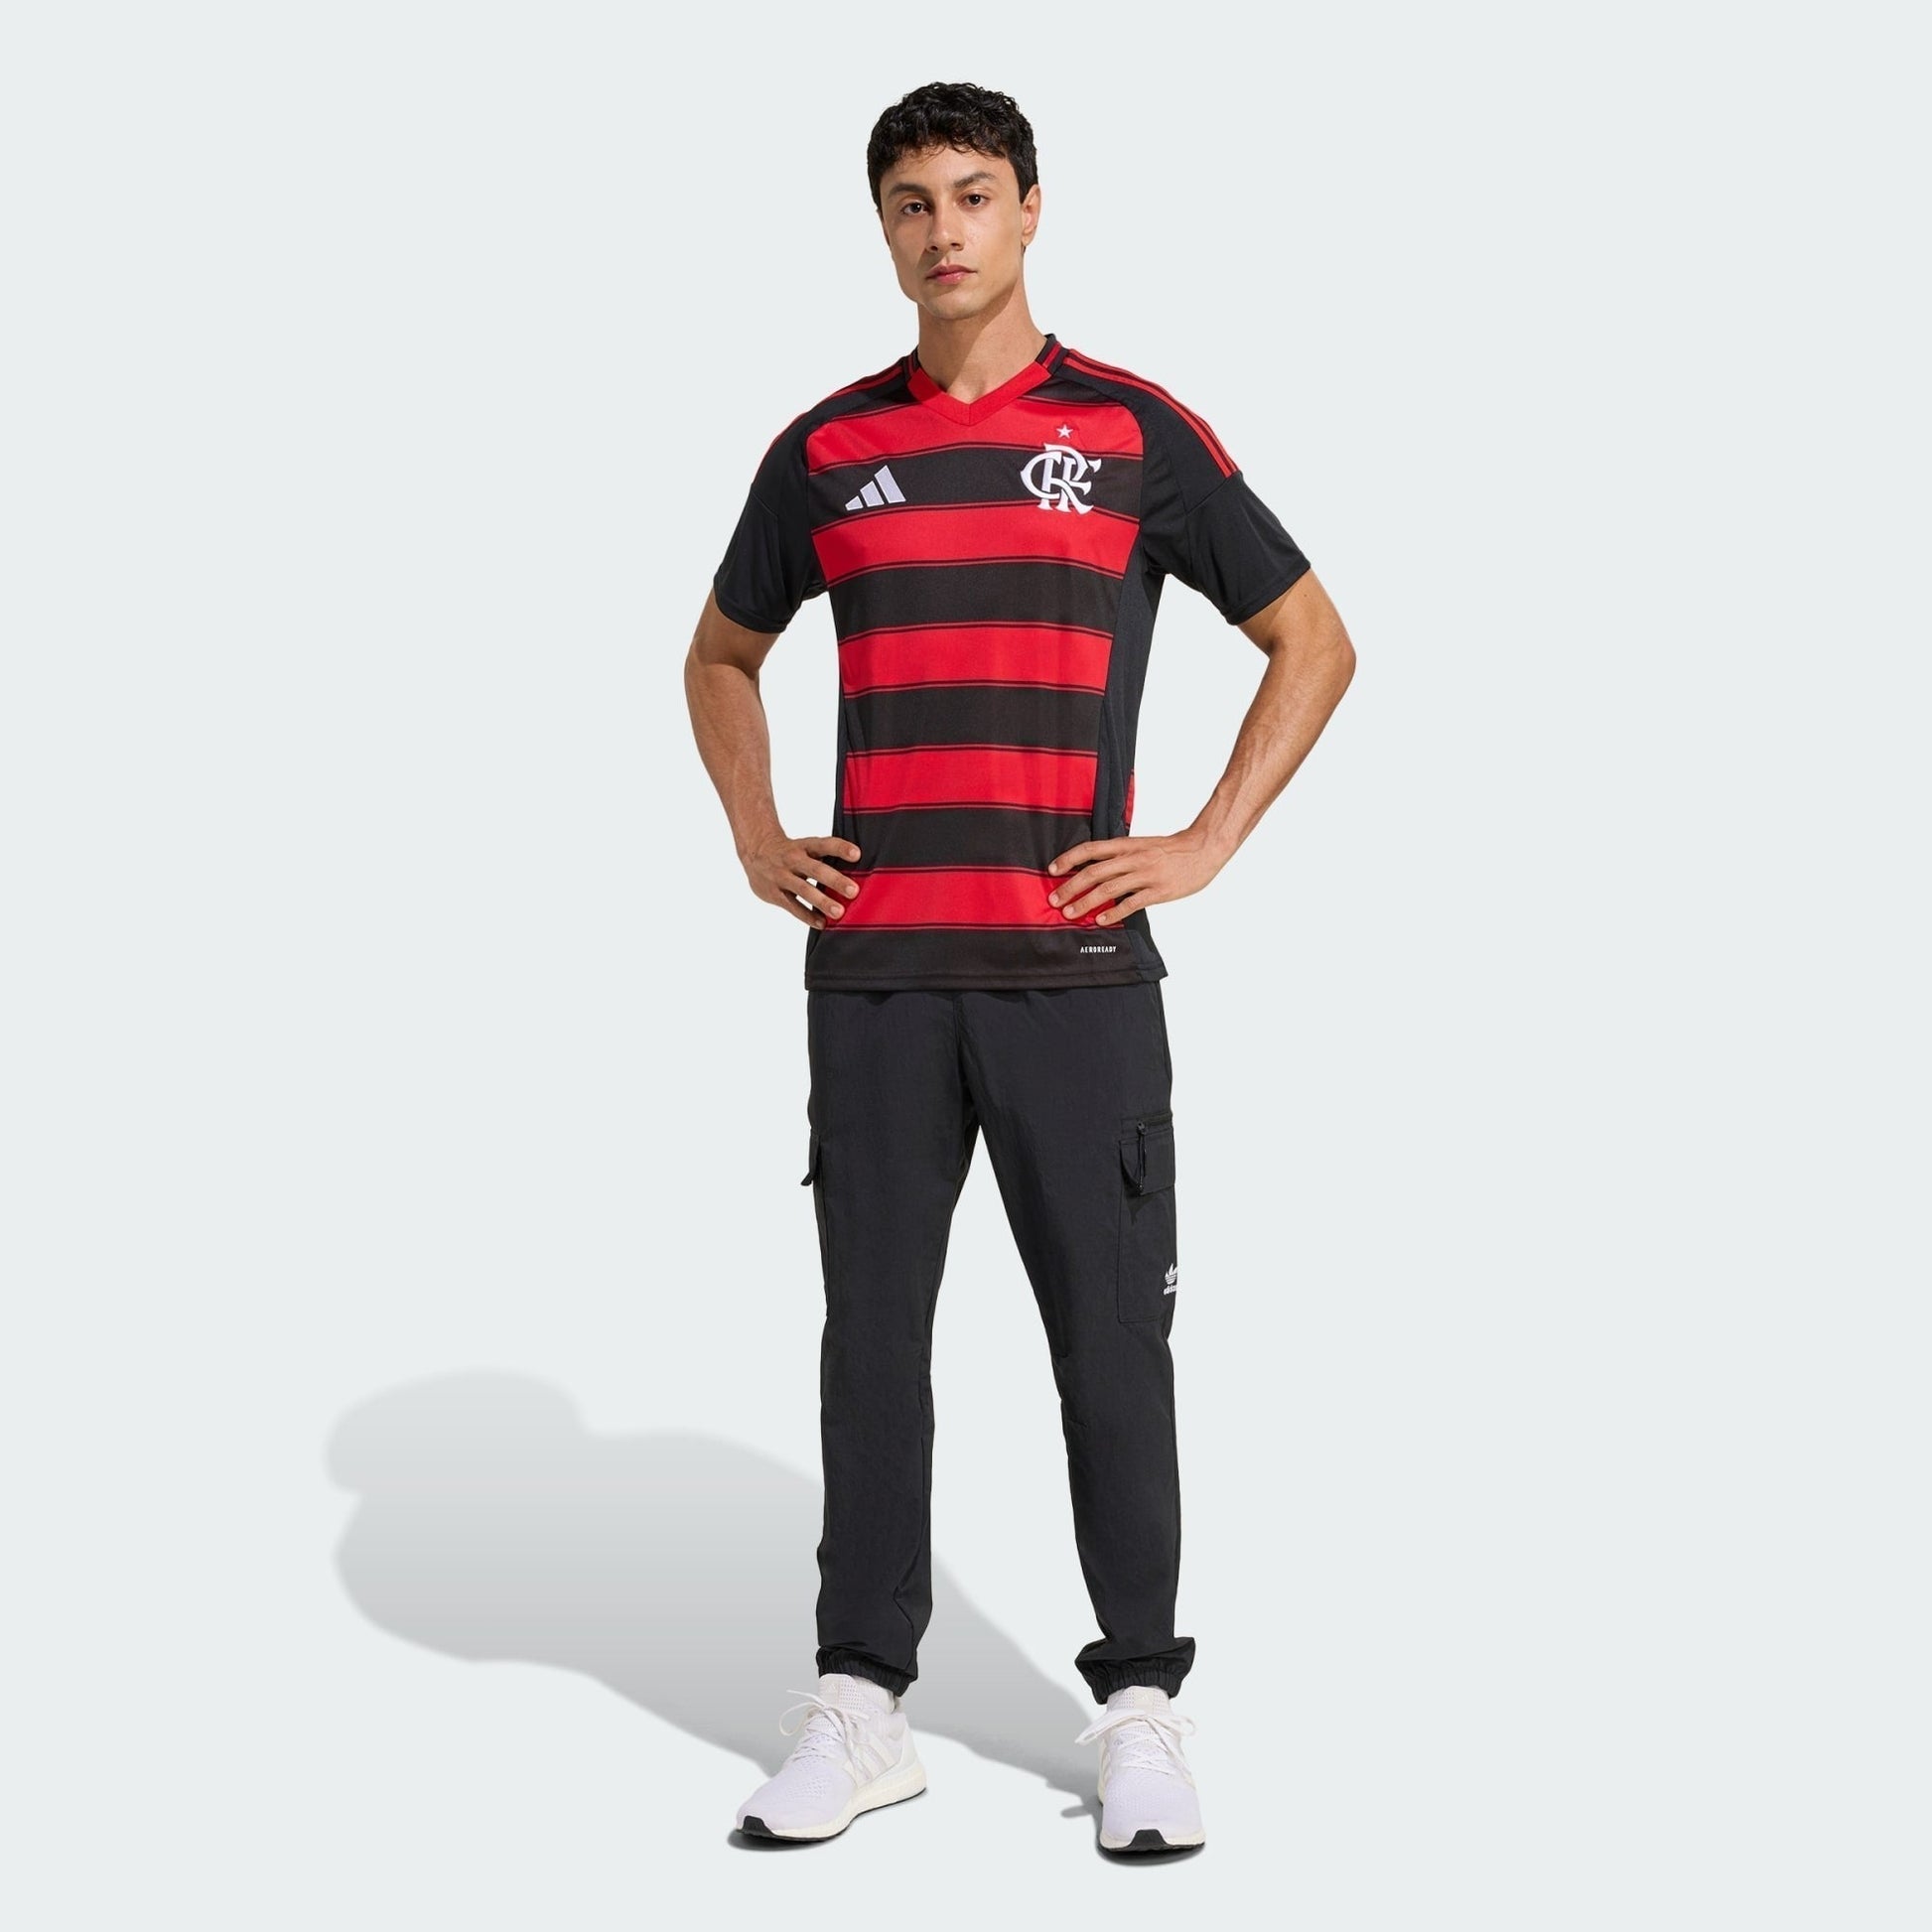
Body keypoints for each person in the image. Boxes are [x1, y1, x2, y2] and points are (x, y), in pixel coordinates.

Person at [684, 79, 1355, 1854]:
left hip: (1076, 977)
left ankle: (1139, 1704)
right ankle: (860, 1699)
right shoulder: (825, 450)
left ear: (1031, 210)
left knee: (1110, 1349)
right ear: (881, 226)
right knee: (870, 1349)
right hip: (877, 980)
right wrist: (755, 835)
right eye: (911, 201)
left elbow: (1310, 636)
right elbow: (719, 654)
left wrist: (1202, 840)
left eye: (973, 195)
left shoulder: (1132, 434)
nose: (943, 231)